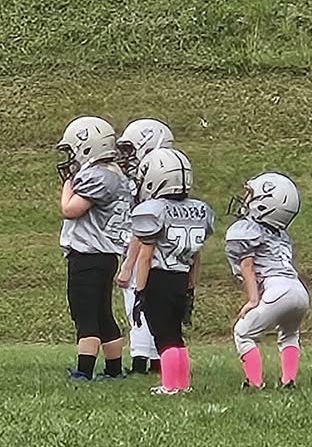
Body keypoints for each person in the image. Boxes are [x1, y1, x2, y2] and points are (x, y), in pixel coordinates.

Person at [119, 146, 213, 397]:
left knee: (163, 335)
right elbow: (197, 256)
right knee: (175, 334)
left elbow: (146, 255)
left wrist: (139, 290)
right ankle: (181, 382)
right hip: (181, 277)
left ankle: (171, 384)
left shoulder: (153, 210)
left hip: (159, 277)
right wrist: (191, 286)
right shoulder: (199, 210)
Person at [56, 114, 134, 382]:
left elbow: (71, 209)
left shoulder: (97, 176)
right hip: (106, 254)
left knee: (85, 313)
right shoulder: (116, 174)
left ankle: (84, 370)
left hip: (88, 254)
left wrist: (67, 184)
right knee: (102, 312)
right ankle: (113, 369)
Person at [227, 172, 308, 390]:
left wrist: (253, 299)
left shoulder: (247, 229)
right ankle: (288, 380)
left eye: (251, 195)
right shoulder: (282, 234)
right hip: (298, 290)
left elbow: (247, 266)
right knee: (290, 333)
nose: (246, 199)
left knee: (243, 333)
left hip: (277, 289)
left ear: (265, 204)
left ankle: (254, 383)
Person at [117, 119, 175, 377]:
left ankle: (142, 359)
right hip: (170, 256)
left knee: (138, 304)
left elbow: (143, 229)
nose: (127, 157)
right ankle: (156, 359)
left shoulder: (151, 183)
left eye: (131, 149)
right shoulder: (172, 175)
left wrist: (128, 264)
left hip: (147, 252)